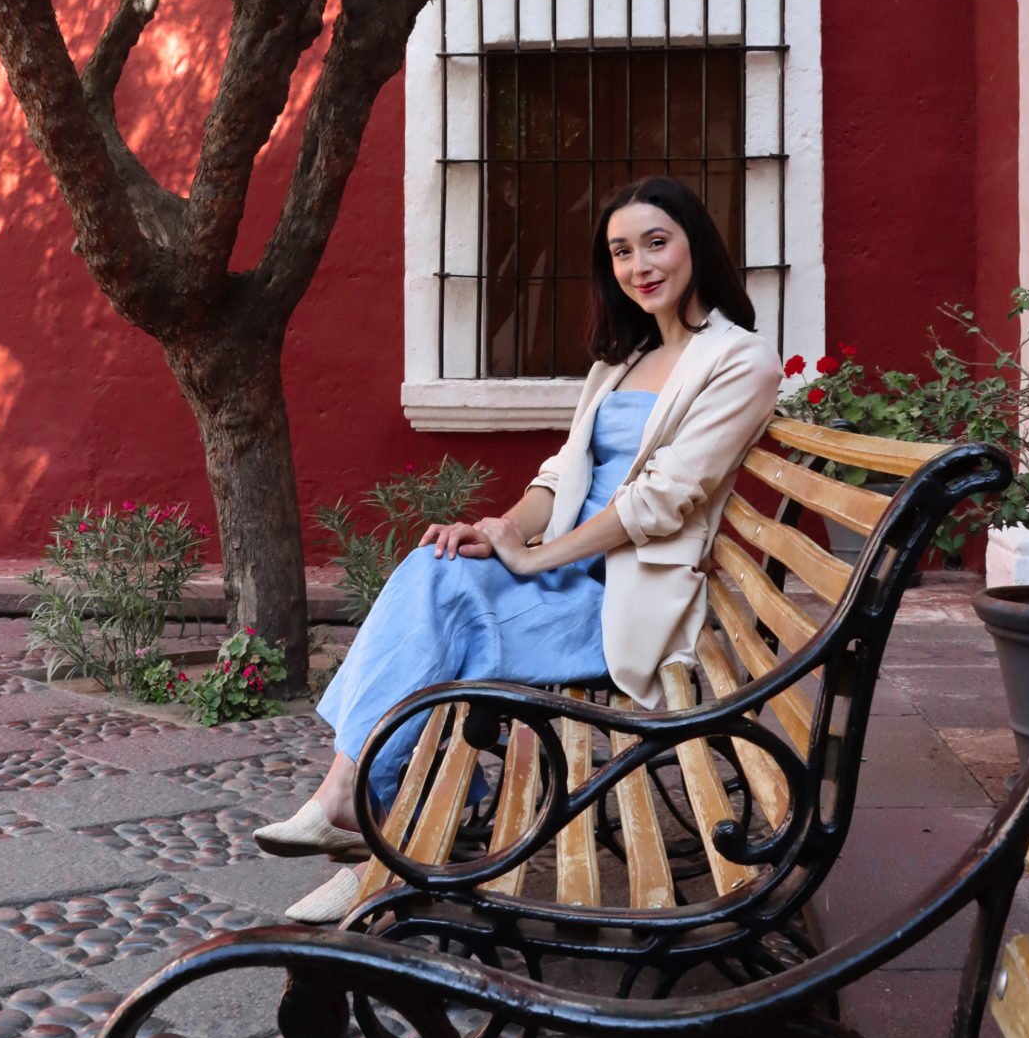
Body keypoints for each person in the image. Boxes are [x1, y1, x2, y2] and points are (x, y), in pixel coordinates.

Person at [255, 176, 784, 923]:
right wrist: (500, 529)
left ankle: (368, 828)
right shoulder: (621, 363)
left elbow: (662, 501)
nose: (641, 266)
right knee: (441, 564)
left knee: (450, 635)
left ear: (696, 242)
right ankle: (358, 811)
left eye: (656, 242)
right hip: (562, 572)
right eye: (622, 251)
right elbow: (561, 475)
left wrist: (537, 557)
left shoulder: (740, 359)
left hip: (617, 593)